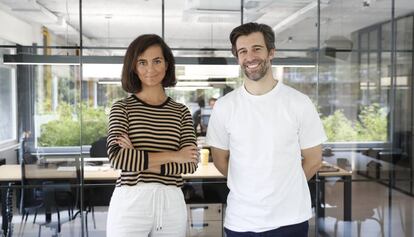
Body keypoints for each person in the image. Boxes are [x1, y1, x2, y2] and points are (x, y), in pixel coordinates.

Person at [206, 22, 327, 236]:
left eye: (256, 49)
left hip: (290, 219)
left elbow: (314, 159)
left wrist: (284, 188)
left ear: (271, 52)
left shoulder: (299, 102)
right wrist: (250, 188)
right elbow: (221, 160)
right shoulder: (225, 106)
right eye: (242, 51)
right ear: (237, 57)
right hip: (241, 221)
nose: (250, 57)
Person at [106, 34, 199, 237]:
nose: (150, 69)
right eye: (142, 62)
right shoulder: (122, 108)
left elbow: (190, 164)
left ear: (167, 65)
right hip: (131, 201)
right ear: (133, 67)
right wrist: (175, 155)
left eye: (157, 61)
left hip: (171, 202)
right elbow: (117, 158)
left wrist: (137, 156)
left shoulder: (181, 112)